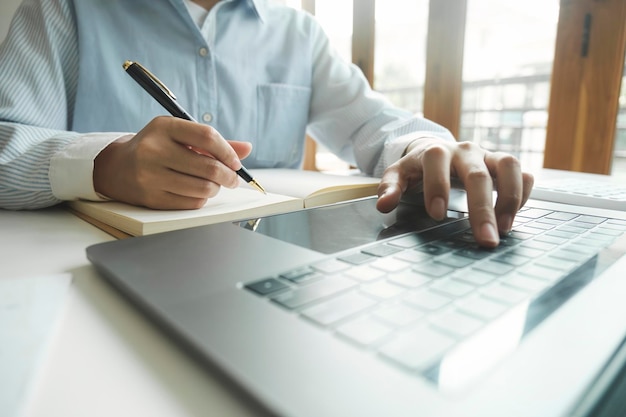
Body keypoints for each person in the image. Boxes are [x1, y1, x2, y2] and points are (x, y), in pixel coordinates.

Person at [0, 0, 533, 247]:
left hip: (270, 261)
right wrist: (103, 164)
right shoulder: (61, 9)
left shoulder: (300, 33)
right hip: (83, 273)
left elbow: (373, 121)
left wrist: (419, 145)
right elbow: (8, 139)